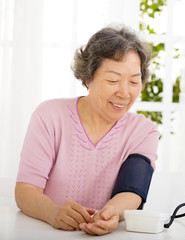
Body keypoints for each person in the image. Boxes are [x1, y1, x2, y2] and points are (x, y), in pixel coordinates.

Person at [15, 25, 160, 235]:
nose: (125, 93)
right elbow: (25, 191)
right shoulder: (49, 116)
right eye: (113, 80)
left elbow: (132, 190)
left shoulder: (143, 131)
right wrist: (52, 213)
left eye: (134, 81)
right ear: (87, 77)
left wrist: (112, 213)